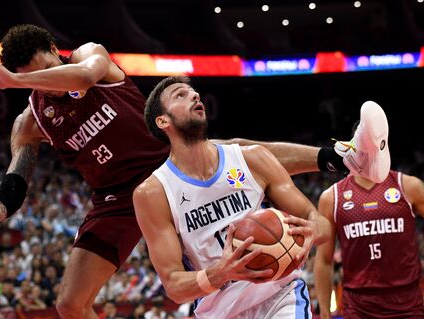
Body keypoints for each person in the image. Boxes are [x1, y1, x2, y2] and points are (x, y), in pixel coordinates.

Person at [0, 25, 388, 319]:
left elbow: (83, 78)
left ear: (54, 52)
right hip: (114, 200)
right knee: (69, 304)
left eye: (43, 71)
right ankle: (343, 154)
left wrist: (16, 80)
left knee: (241, 152)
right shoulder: (30, 122)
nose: (44, 85)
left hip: (163, 161)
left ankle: (344, 154)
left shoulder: (89, 56)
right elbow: (13, 185)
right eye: (30, 78)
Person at [133, 76, 388, 318]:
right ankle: (345, 156)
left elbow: (319, 223)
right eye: (181, 95)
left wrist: (311, 231)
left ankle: (344, 156)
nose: (194, 95)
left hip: (280, 295)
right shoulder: (153, 193)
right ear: (163, 121)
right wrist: (219, 273)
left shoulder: (252, 158)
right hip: (219, 311)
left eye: (194, 92)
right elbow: (174, 285)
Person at [314, 167, 424, 318]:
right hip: (358, 308)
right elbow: (324, 260)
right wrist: (325, 313)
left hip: (407, 306)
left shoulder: (408, 186)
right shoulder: (331, 198)